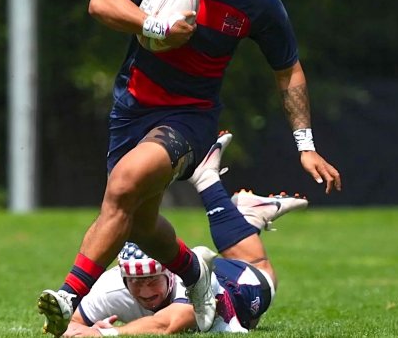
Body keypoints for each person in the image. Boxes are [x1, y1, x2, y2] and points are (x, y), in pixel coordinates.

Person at [38, 0, 341, 336]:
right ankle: (197, 276)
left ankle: (68, 296)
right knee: (140, 226)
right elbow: (100, 2)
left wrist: (305, 144)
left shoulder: (258, 5)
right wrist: (155, 25)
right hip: (131, 111)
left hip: (190, 119)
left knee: (123, 184)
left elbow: (288, 70)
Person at [62, 133, 310, 336]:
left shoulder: (186, 280)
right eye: (136, 282)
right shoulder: (111, 287)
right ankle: (248, 215)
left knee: (262, 272)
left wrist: (105, 333)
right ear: (124, 278)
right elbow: (72, 324)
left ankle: (208, 181)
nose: (146, 291)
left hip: (232, 284)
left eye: (152, 280)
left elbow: (170, 323)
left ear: (170, 272)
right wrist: (80, 330)